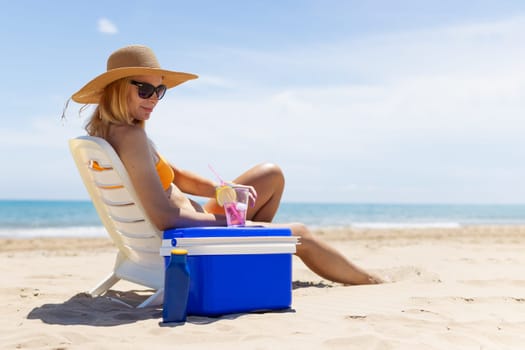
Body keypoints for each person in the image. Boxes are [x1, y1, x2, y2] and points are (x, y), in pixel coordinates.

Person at [71, 44, 381, 285]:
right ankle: (373, 283)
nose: (154, 99)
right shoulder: (131, 137)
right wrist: (234, 224)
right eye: (145, 90)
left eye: (159, 91)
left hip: (193, 223)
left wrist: (222, 189)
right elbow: (164, 217)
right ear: (118, 88)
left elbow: (174, 175)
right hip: (188, 239)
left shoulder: (117, 131)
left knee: (270, 175)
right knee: (299, 234)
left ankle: (253, 253)